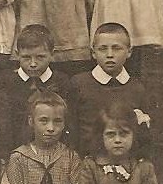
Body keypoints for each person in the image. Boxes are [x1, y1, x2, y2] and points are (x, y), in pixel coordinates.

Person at [65, 22, 153, 155]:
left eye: (116, 48)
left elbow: (143, 135)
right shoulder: (79, 83)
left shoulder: (137, 88)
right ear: (93, 53)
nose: (110, 54)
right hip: (87, 162)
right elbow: (71, 128)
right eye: (103, 49)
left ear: (129, 52)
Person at [0, 24, 70, 153]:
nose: (33, 64)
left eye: (40, 57)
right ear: (17, 54)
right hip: (15, 151)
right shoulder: (6, 82)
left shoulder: (62, 82)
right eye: (26, 57)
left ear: (52, 54)